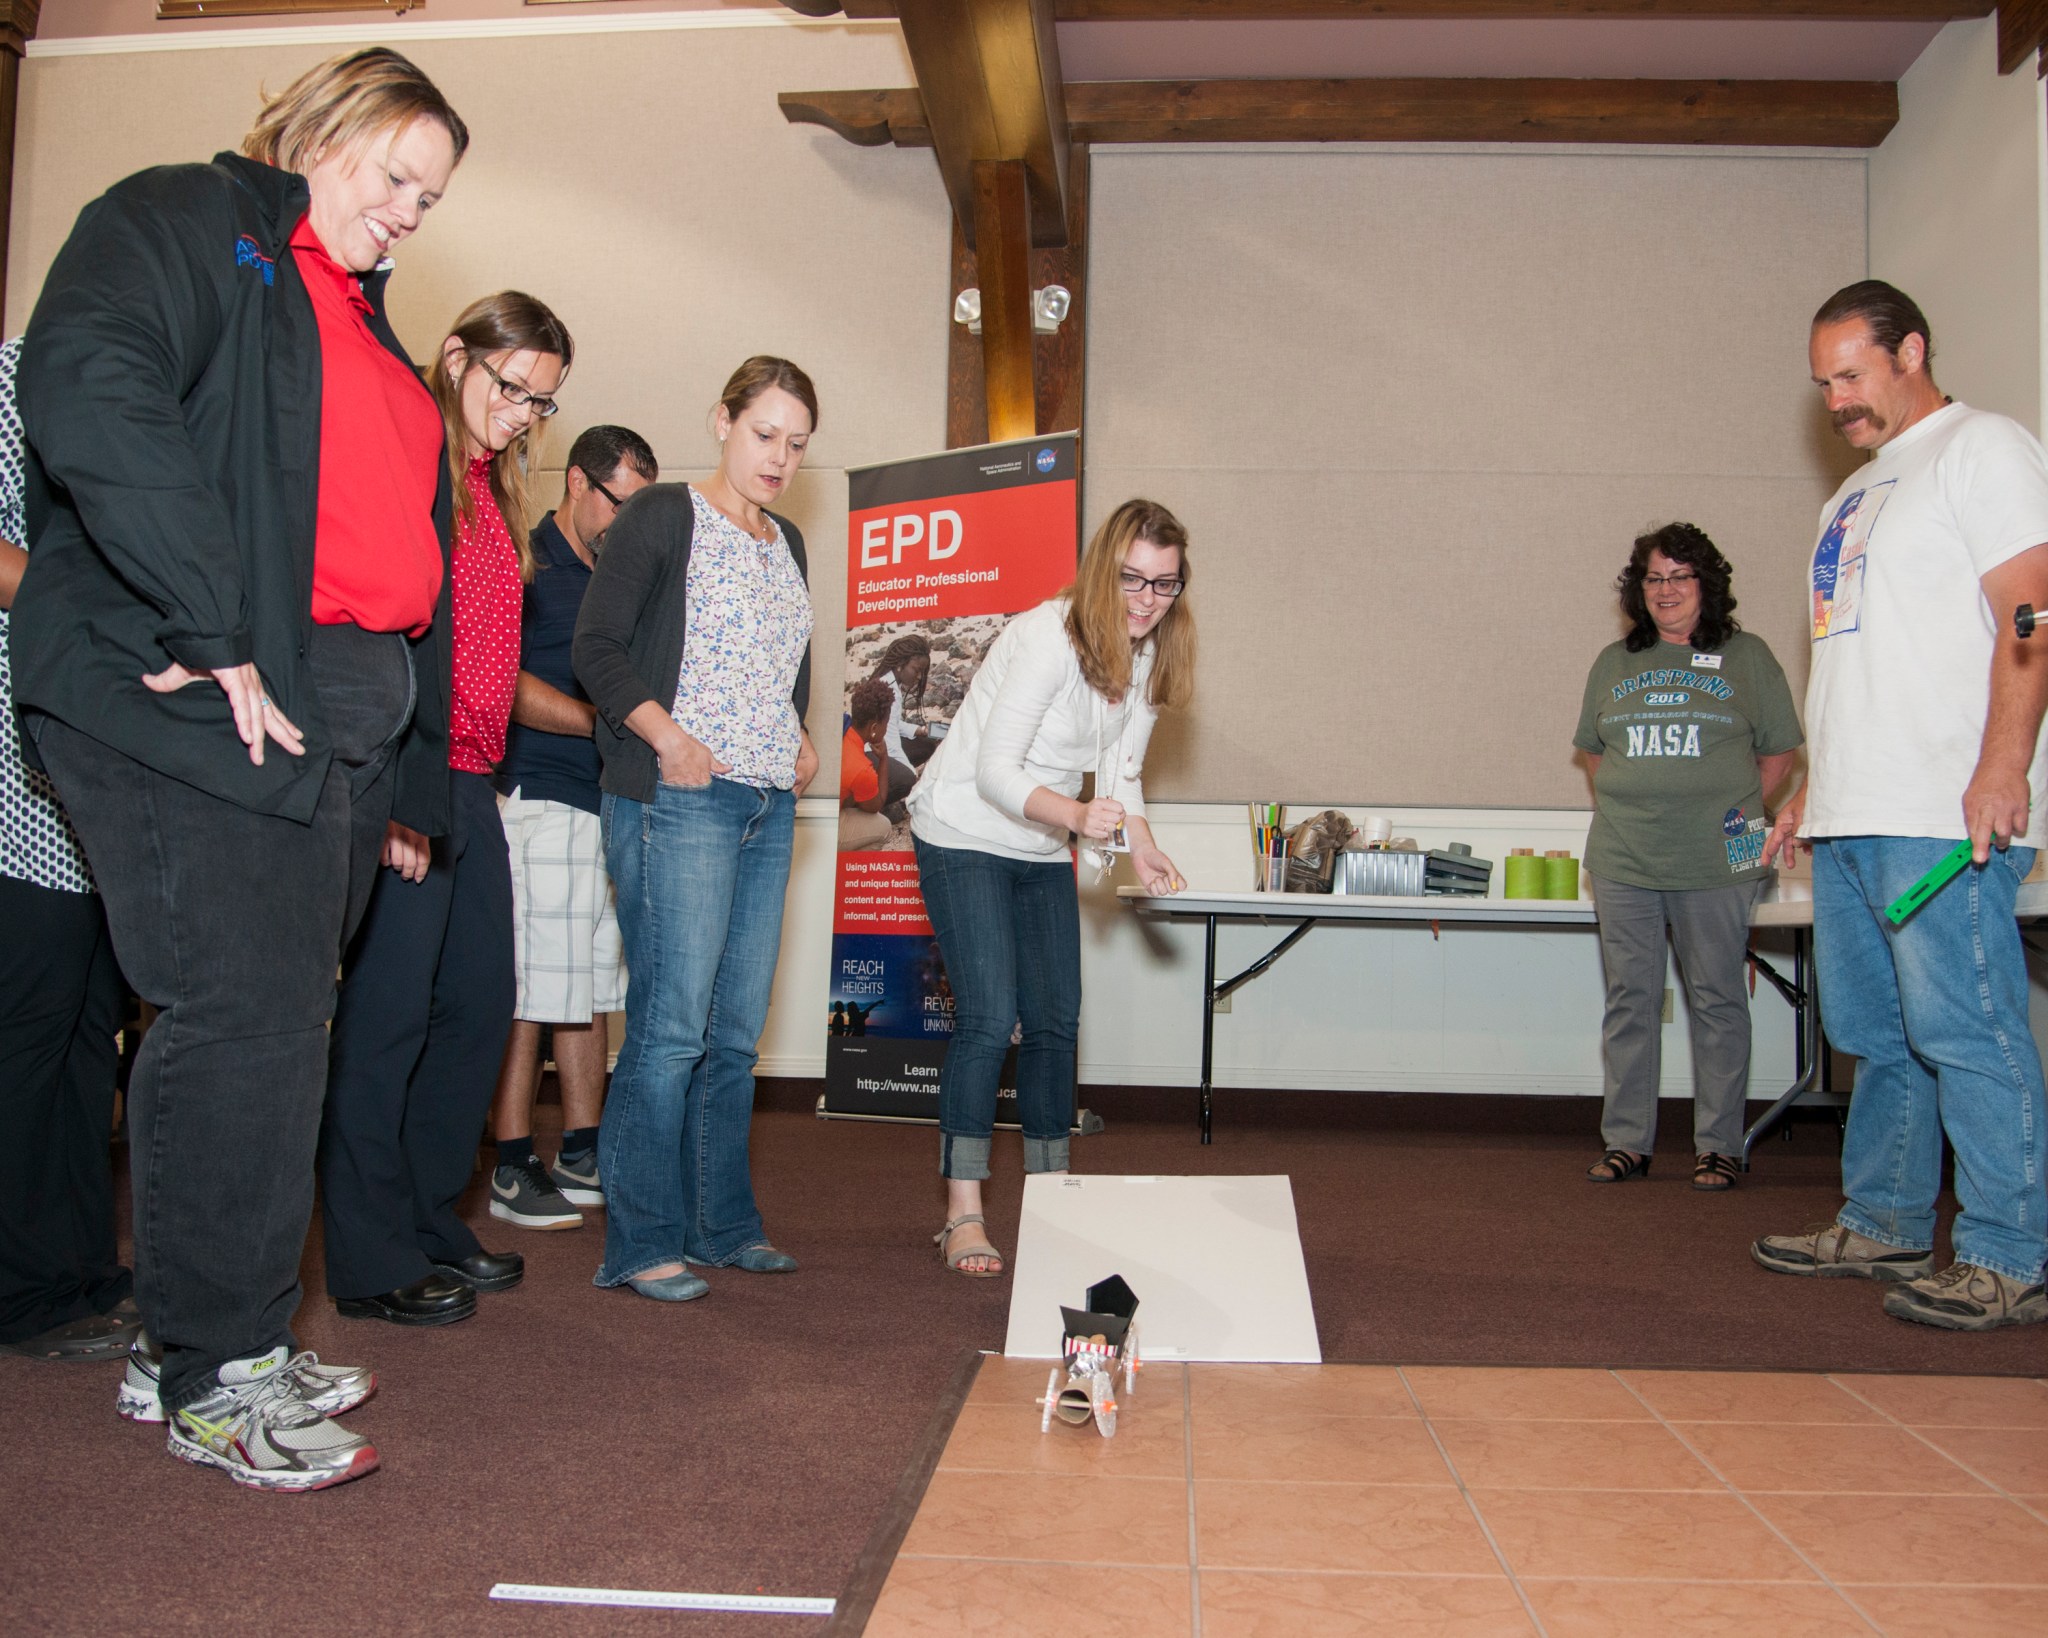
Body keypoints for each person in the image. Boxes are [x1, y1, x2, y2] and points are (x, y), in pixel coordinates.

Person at [10, 48, 464, 1488]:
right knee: (249, 1009)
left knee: (282, 1019)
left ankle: (194, 1333)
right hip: (196, 675)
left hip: (333, 706)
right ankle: (222, 1365)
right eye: (396, 172)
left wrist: (407, 772)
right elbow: (89, 381)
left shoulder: (357, 312)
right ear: (318, 128)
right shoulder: (185, 220)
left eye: (431, 197)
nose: (409, 210)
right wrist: (211, 618)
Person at [1756, 279, 2048, 1331]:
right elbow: (1852, 664)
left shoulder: (1983, 450)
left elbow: (2031, 610)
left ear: (1909, 350)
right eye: (1820, 382)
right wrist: (1810, 796)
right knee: (1874, 1033)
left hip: (1940, 806)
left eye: (1849, 373)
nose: (1834, 399)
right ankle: (1881, 1219)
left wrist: (2002, 767)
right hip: (1850, 812)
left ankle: (2009, 1255)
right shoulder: (1855, 493)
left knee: (1962, 1029)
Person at [318, 292, 573, 1324]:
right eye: (509, 388)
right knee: (385, 1022)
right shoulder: (407, 459)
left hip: (472, 778)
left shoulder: (491, 487)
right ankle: (370, 1256)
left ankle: (426, 1215)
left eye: (540, 402)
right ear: (455, 356)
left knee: (475, 1009)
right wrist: (388, 797)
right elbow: (378, 635)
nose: (520, 413)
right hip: (399, 775)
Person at [572, 357, 820, 1302]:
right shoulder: (662, 516)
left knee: (733, 1034)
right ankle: (640, 1242)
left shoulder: (787, 541)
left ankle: (722, 1226)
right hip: (679, 795)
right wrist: (667, 737)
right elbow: (595, 646)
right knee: (670, 1030)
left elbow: (780, 655)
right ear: (722, 421)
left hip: (766, 801)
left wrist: (797, 728)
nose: (780, 457)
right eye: (766, 434)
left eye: (797, 444)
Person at [907, 499, 1195, 1277]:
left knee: (1057, 1018)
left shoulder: (1148, 653)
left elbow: (1125, 768)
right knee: (990, 1014)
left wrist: (1142, 838)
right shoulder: (1046, 636)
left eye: (1165, 585)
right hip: (964, 824)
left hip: (1037, 840)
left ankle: (1053, 1198)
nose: (1146, 600)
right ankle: (963, 1213)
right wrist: (1076, 816)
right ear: (1104, 569)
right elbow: (998, 771)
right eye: (1133, 579)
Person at [1573, 523, 1802, 1191]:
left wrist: (1729, 811)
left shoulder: (1748, 656)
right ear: (1637, 589)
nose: (1665, 590)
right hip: (1624, 855)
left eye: (1679, 576)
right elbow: (1596, 753)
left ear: (1707, 584)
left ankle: (1719, 1145)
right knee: (1629, 1001)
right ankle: (1627, 1143)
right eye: (1653, 578)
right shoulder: (1615, 663)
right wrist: (1642, 801)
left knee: (1717, 998)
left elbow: (1780, 754)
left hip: (1722, 854)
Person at [0, 336, 139, 1366]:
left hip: (101, 774)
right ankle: (23, 1288)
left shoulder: (134, 392)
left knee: (93, 1036)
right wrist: (93, 612)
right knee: (31, 1038)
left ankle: (78, 1264)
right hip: (20, 772)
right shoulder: (20, 376)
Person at [487, 425, 657, 1231]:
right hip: (539, 796)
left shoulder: (618, 580)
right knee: (531, 985)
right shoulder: (527, 561)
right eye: (620, 503)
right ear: (581, 482)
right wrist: (604, 721)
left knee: (591, 986)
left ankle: (582, 1146)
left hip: (604, 804)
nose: (626, 524)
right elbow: (503, 681)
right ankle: (511, 1159)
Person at [840, 675, 905, 850]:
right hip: (824, 825)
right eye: (886, 722)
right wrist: (883, 759)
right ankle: (848, 872)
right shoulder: (861, 768)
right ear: (874, 728)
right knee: (882, 826)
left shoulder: (841, 725)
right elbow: (875, 805)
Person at [871, 633, 938, 770]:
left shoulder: (890, 682)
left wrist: (918, 730)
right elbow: (891, 743)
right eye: (916, 670)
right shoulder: (888, 690)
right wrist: (910, 773)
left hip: (878, 745)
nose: (919, 677)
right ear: (900, 664)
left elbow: (892, 723)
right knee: (906, 778)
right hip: (873, 751)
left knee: (926, 744)